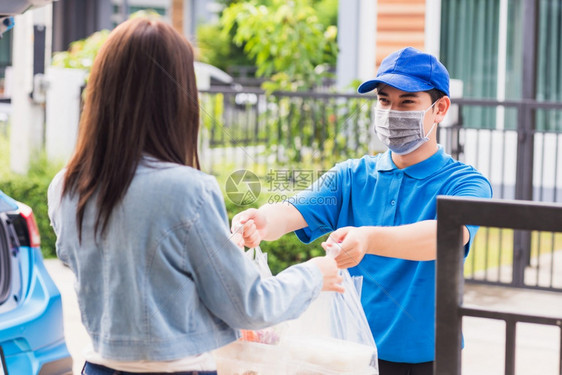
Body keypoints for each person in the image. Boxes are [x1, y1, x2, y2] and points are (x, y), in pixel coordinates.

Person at [47, 17, 342, 375]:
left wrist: (216, 247)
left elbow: (127, 269)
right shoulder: (188, 189)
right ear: (176, 95)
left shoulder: (65, 186)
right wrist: (313, 273)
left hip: (97, 366)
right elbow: (248, 306)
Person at [232, 47, 493, 375]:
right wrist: (262, 219)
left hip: (429, 357)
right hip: (350, 354)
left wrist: (368, 238)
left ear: (439, 109)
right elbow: (293, 211)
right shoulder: (351, 177)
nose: (391, 112)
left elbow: (446, 237)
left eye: (407, 102)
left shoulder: (465, 183)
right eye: (384, 101)